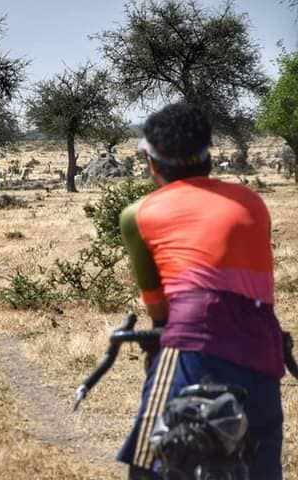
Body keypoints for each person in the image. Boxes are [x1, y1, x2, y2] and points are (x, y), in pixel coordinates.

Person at [117, 103, 285, 479]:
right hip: (262, 350)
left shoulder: (139, 214)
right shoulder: (252, 203)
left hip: (191, 346)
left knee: (149, 462)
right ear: (209, 155)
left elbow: (159, 312)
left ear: (152, 162)